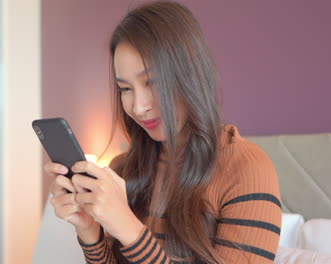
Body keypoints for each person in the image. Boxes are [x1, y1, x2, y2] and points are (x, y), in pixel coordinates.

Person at [45, 1, 282, 263]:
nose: (138, 106)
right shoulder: (123, 168)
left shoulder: (246, 169)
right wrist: (90, 232)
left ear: (190, 75)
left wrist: (127, 225)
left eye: (153, 82)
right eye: (125, 89)